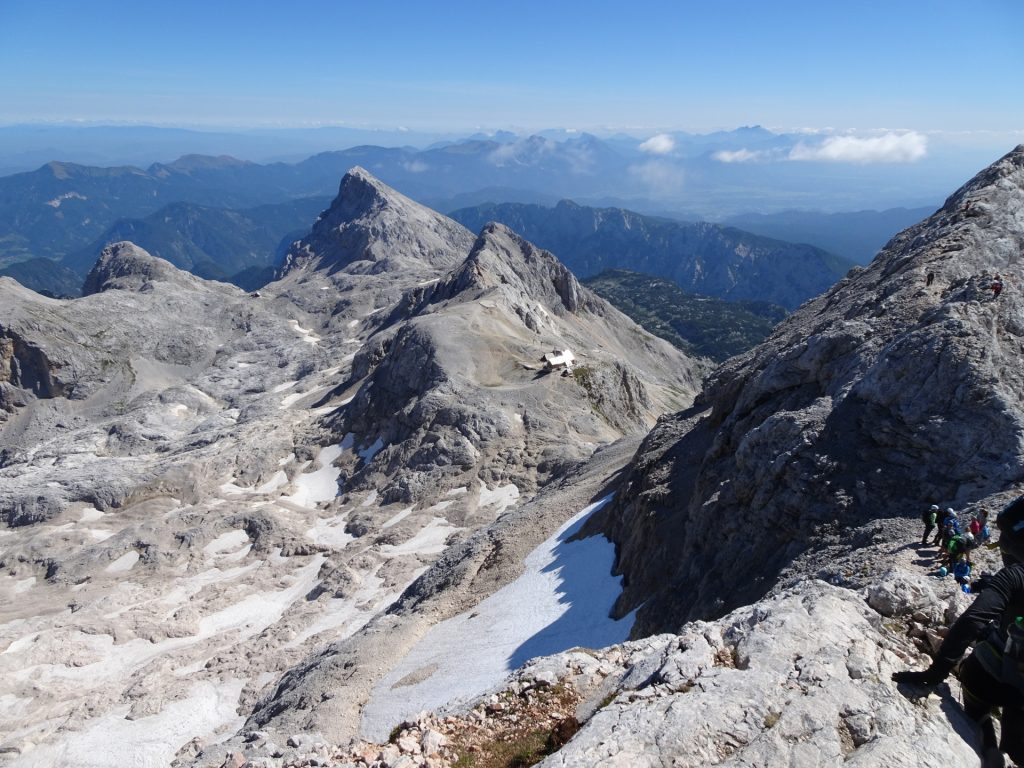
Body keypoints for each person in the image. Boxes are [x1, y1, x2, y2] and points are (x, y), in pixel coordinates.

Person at [892, 495, 1024, 768]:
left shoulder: (1014, 575)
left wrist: (937, 671)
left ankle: (986, 731)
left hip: (999, 679)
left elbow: (974, 619)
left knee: (983, 655)